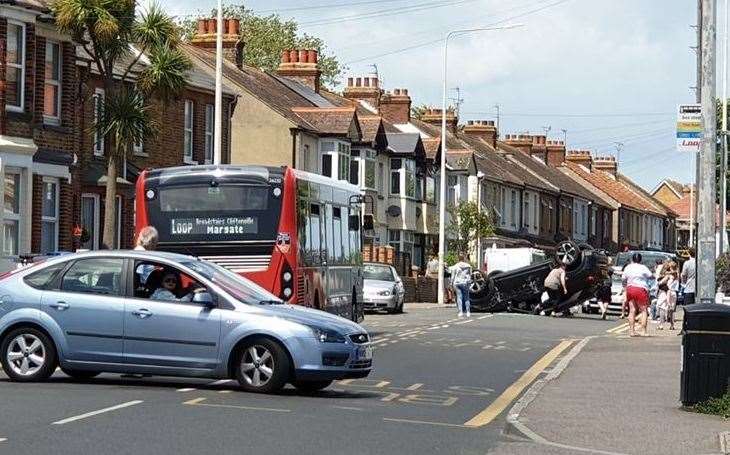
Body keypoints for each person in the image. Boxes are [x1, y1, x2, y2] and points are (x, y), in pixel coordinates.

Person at [622, 252, 654, 337]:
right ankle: (643, 331)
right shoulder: (643, 267)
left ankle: (632, 331)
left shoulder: (628, 267)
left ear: (632, 259)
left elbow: (623, 278)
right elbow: (651, 276)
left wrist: (625, 287)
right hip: (641, 289)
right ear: (640, 259)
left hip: (630, 288)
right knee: (644, 310)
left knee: (632, 310)